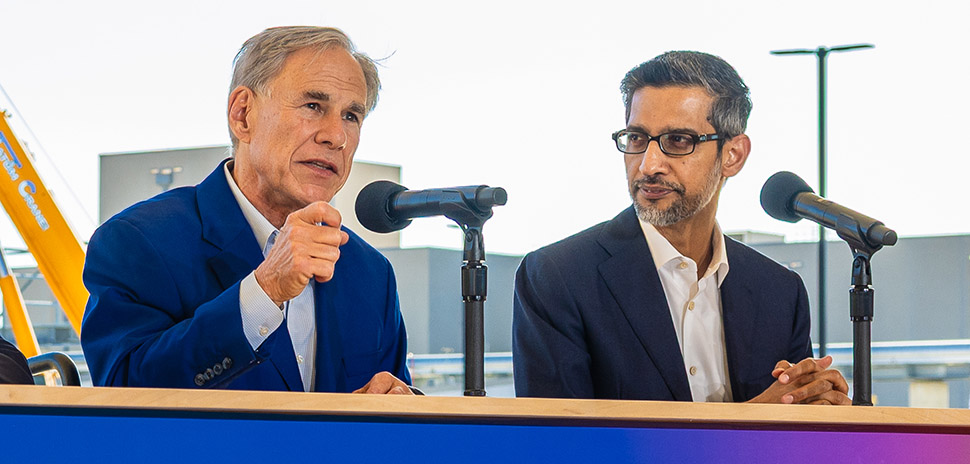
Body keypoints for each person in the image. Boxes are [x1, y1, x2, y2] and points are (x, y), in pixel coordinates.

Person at [81, 26, 412, 395]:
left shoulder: (371, 274)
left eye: (351, 115)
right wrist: (264, 290)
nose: (336, 136)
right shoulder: (136, 241)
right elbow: (123, 394)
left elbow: (394, 409)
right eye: (313, 106)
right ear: (243, 115)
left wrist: (399, 404)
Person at [513, 51, 850, 405]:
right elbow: (560, 448)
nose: (648, 164)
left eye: (677, 141)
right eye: (637, 138)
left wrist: (824, 412)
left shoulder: (780, 292)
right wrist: (757, 417)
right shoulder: (558, 278)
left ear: (733, 154)